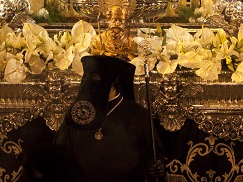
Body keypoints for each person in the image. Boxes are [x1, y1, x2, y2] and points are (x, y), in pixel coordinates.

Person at [54, 54, 164, 182]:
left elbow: (156, 153)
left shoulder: (137, 113)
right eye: (86, 77)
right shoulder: (77, 111)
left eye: (95, 77)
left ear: (112, 81)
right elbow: (58, 152)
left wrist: (159, 166)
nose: (89, 82)